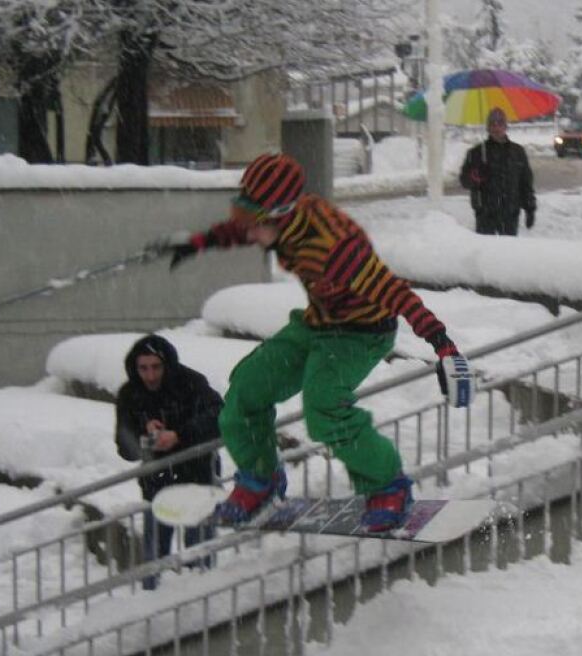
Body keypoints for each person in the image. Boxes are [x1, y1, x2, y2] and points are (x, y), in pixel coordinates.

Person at [152, 153, 471, 533]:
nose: (249, 233)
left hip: (362, 333)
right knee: (246, 389)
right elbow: (242, 228)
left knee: (323, 409)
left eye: (255, 224)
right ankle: (261, 479)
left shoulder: (338, 248)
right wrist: (196, 243)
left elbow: (397, 294)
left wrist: (443, 345)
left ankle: (388, 485)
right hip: (319, 322)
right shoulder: (280, 223)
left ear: (280, 216)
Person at [115, 334, 223, 590]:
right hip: (158, 483)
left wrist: (179, 435)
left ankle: (201, 594)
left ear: (167, 365)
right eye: (143, 368)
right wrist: (145, 435)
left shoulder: (191, 383)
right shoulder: (130, 394)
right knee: (155, 557)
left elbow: (219, 417)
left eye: (155, 367)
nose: (150, 375)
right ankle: (154, 601)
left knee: (200, 552)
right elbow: (124, 446)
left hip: (197, 478)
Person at [459, 107, 537, 236]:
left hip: (510, 213)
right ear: (488, 128)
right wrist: (476, 176)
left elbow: (526, 183)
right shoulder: (476, 153)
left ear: (505, 126)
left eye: (500, 123)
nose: (496, 128)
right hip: (485, 214)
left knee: (506, 253)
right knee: (486, 253)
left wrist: (530, 208)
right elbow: (464, 181)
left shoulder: (517, 152)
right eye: (492, 124)